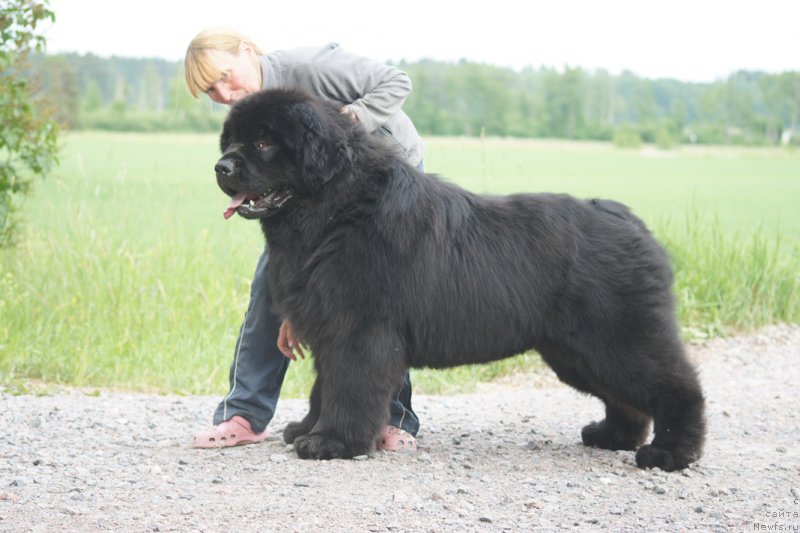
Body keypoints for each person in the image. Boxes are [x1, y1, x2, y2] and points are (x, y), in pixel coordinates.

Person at [184, 28, 423, 451]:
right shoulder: (253, 112)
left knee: (378, 293)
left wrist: (345, 123)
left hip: (382, 180)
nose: (222, 92)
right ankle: (245, 414)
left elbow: (396, 82)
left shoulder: (309, 68)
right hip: (312, 192)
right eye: (209, 89)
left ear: (245, 51)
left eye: (224, 75)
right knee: (270, 285)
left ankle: (394, 418)